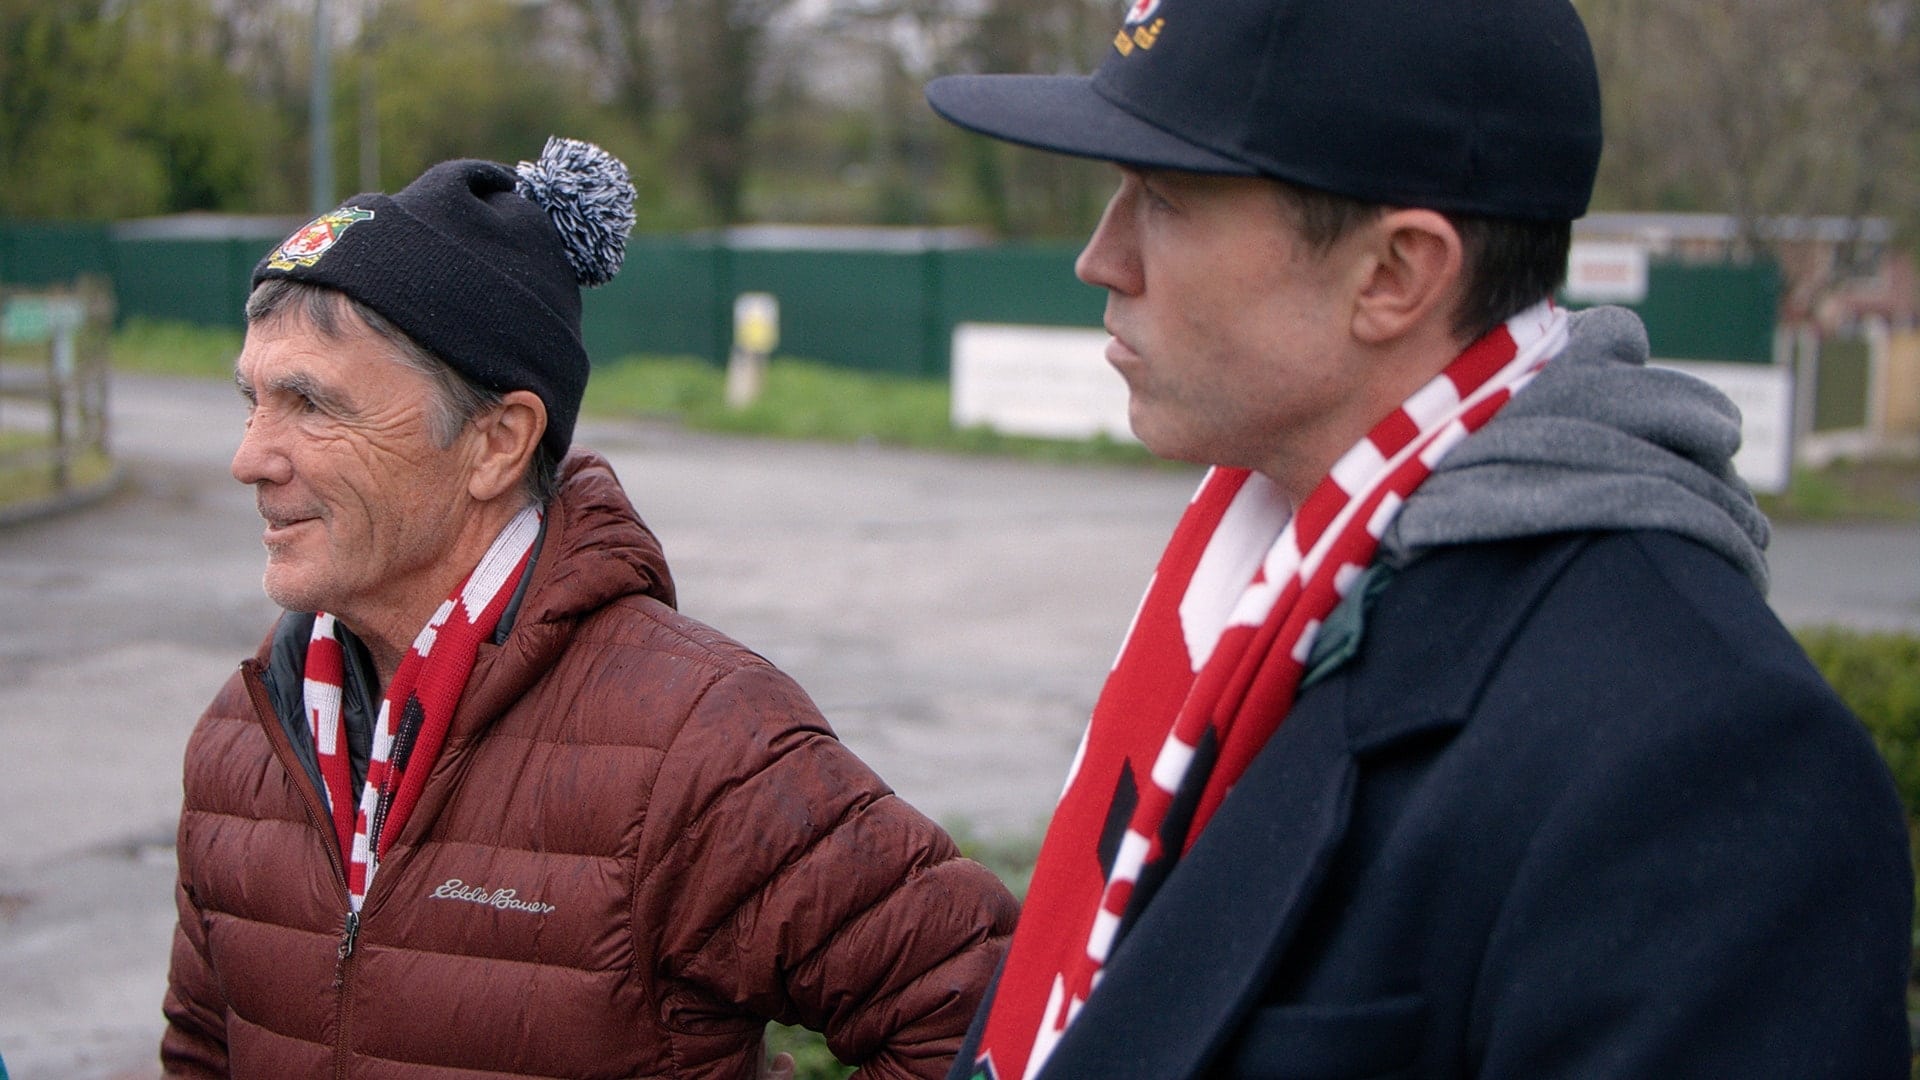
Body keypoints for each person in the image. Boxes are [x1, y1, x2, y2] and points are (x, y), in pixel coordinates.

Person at [924, 1, 1913, 1076]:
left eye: (1163, 199)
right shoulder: (1256, 578)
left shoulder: (1708, 765)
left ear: (1394, 274)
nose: (1101, 257)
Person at [162, 137, 1018, 1079]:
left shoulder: (698, 743)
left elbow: (982, 1018)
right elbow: (204, 1053)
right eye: (252, 400)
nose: (249, 457)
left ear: (497, 441)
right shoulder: (242, 736)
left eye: (312, 405)